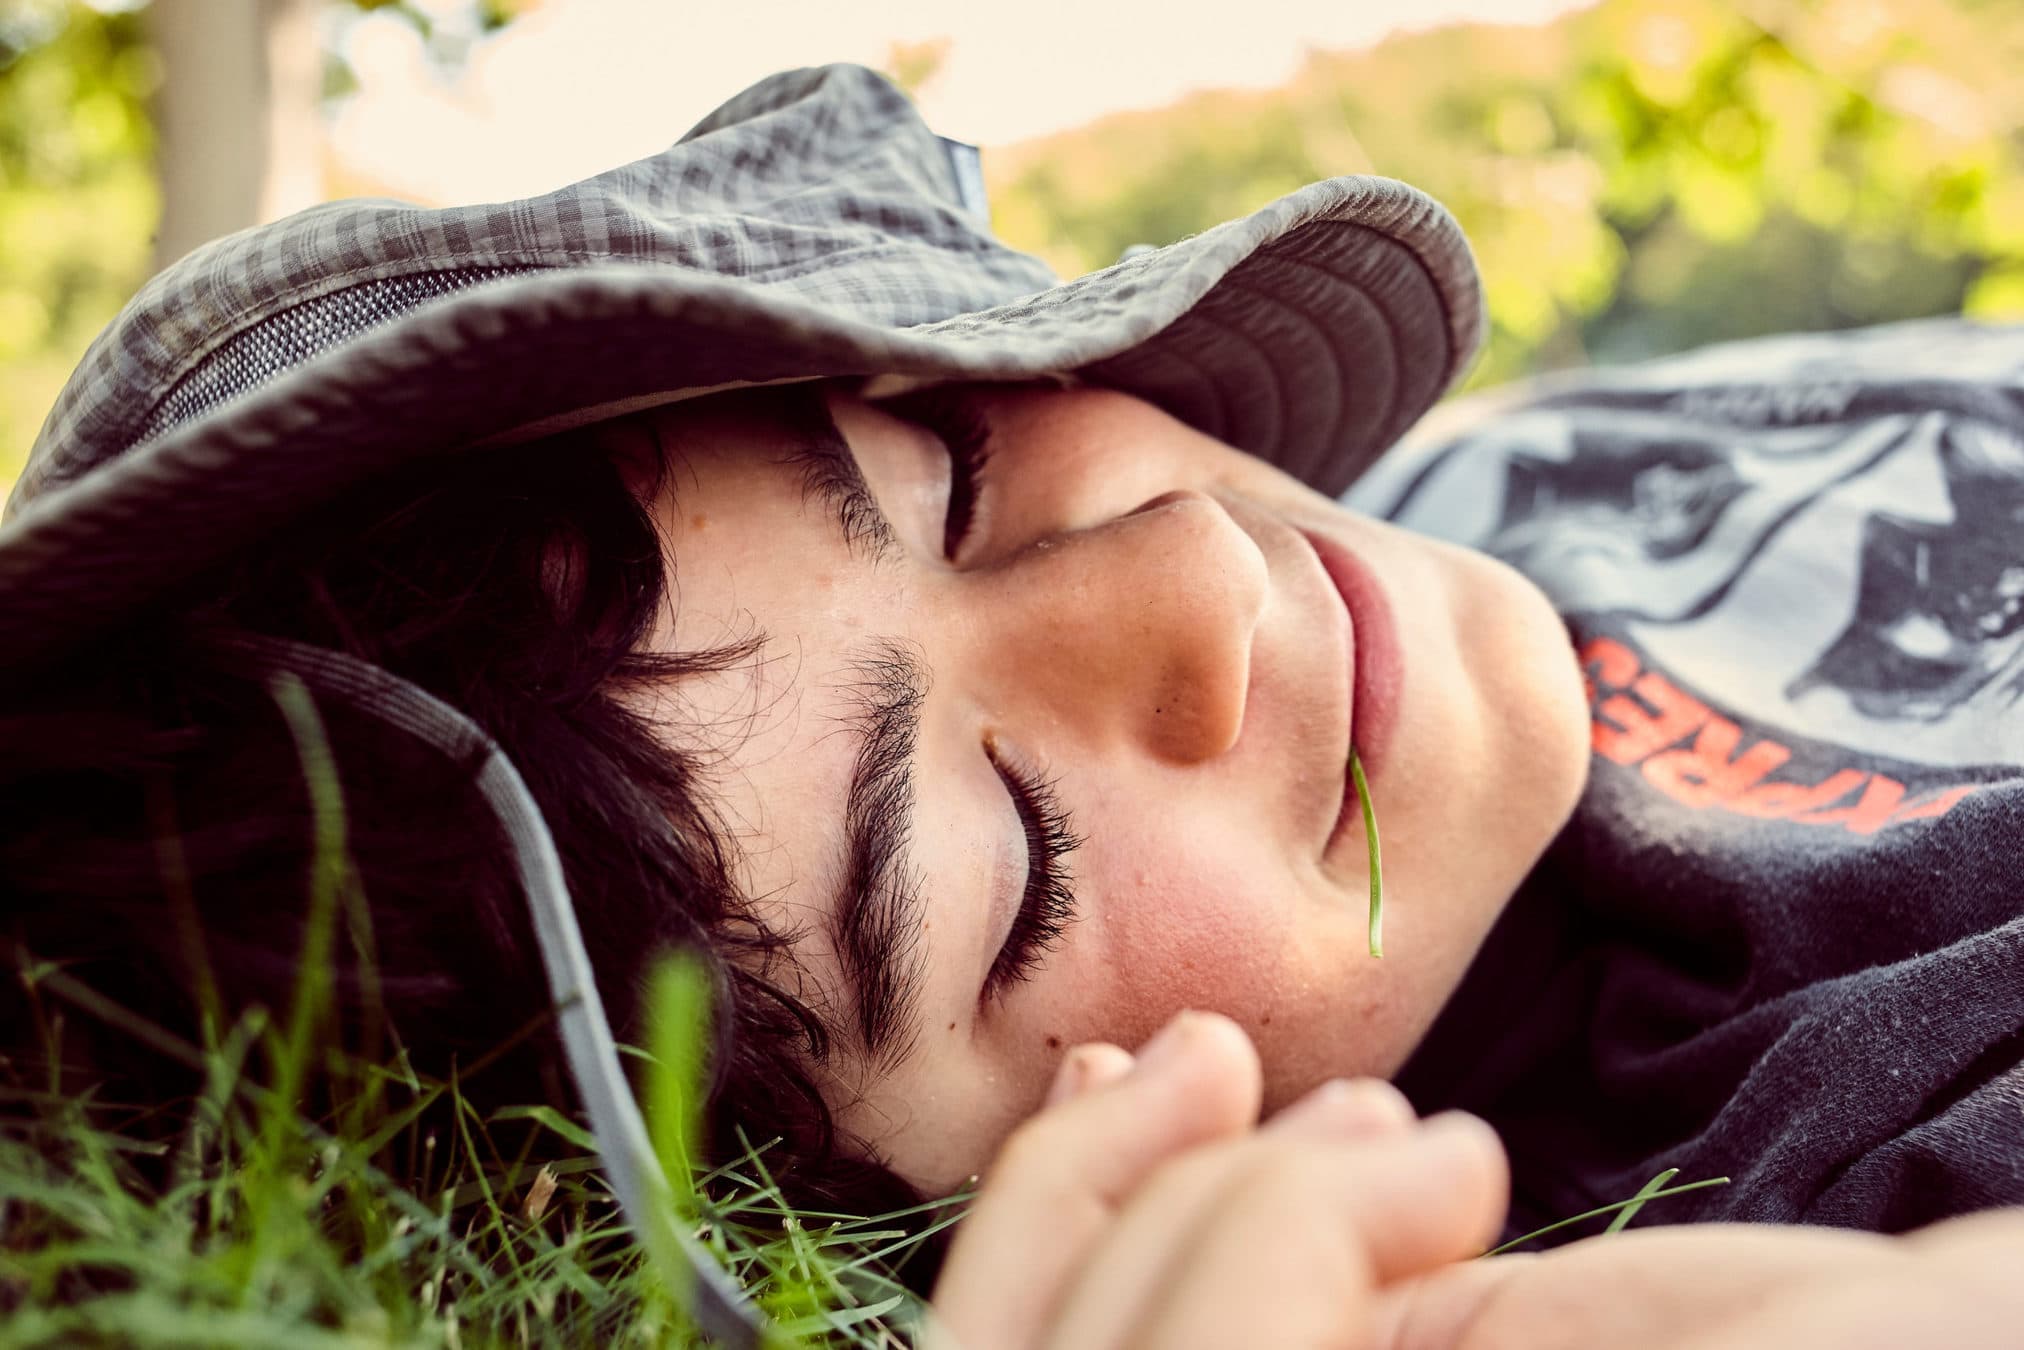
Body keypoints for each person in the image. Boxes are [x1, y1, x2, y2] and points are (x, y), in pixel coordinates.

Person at [2, 61, 2019, 1347]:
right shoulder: (1818, 1186)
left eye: (951, 474)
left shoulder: (1472, 495)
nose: (1200, 575)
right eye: (1017, 860)